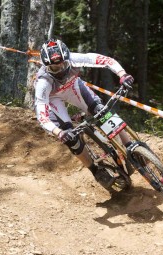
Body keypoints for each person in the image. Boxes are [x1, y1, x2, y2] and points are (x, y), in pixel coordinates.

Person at [34, 38, 134, 190]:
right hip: (54, 99)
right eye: (54, 68)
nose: (60, 70)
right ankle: (95, 170)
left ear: (68, 59)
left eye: (63, 64)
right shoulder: (43, 82)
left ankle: (130, 146)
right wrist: (58, 132)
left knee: (102, 111)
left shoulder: (74, 58)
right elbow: (42, 115)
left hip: (73, 87)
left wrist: (122, 74)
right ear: (46, 67)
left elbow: (105, 60)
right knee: (70, 138)